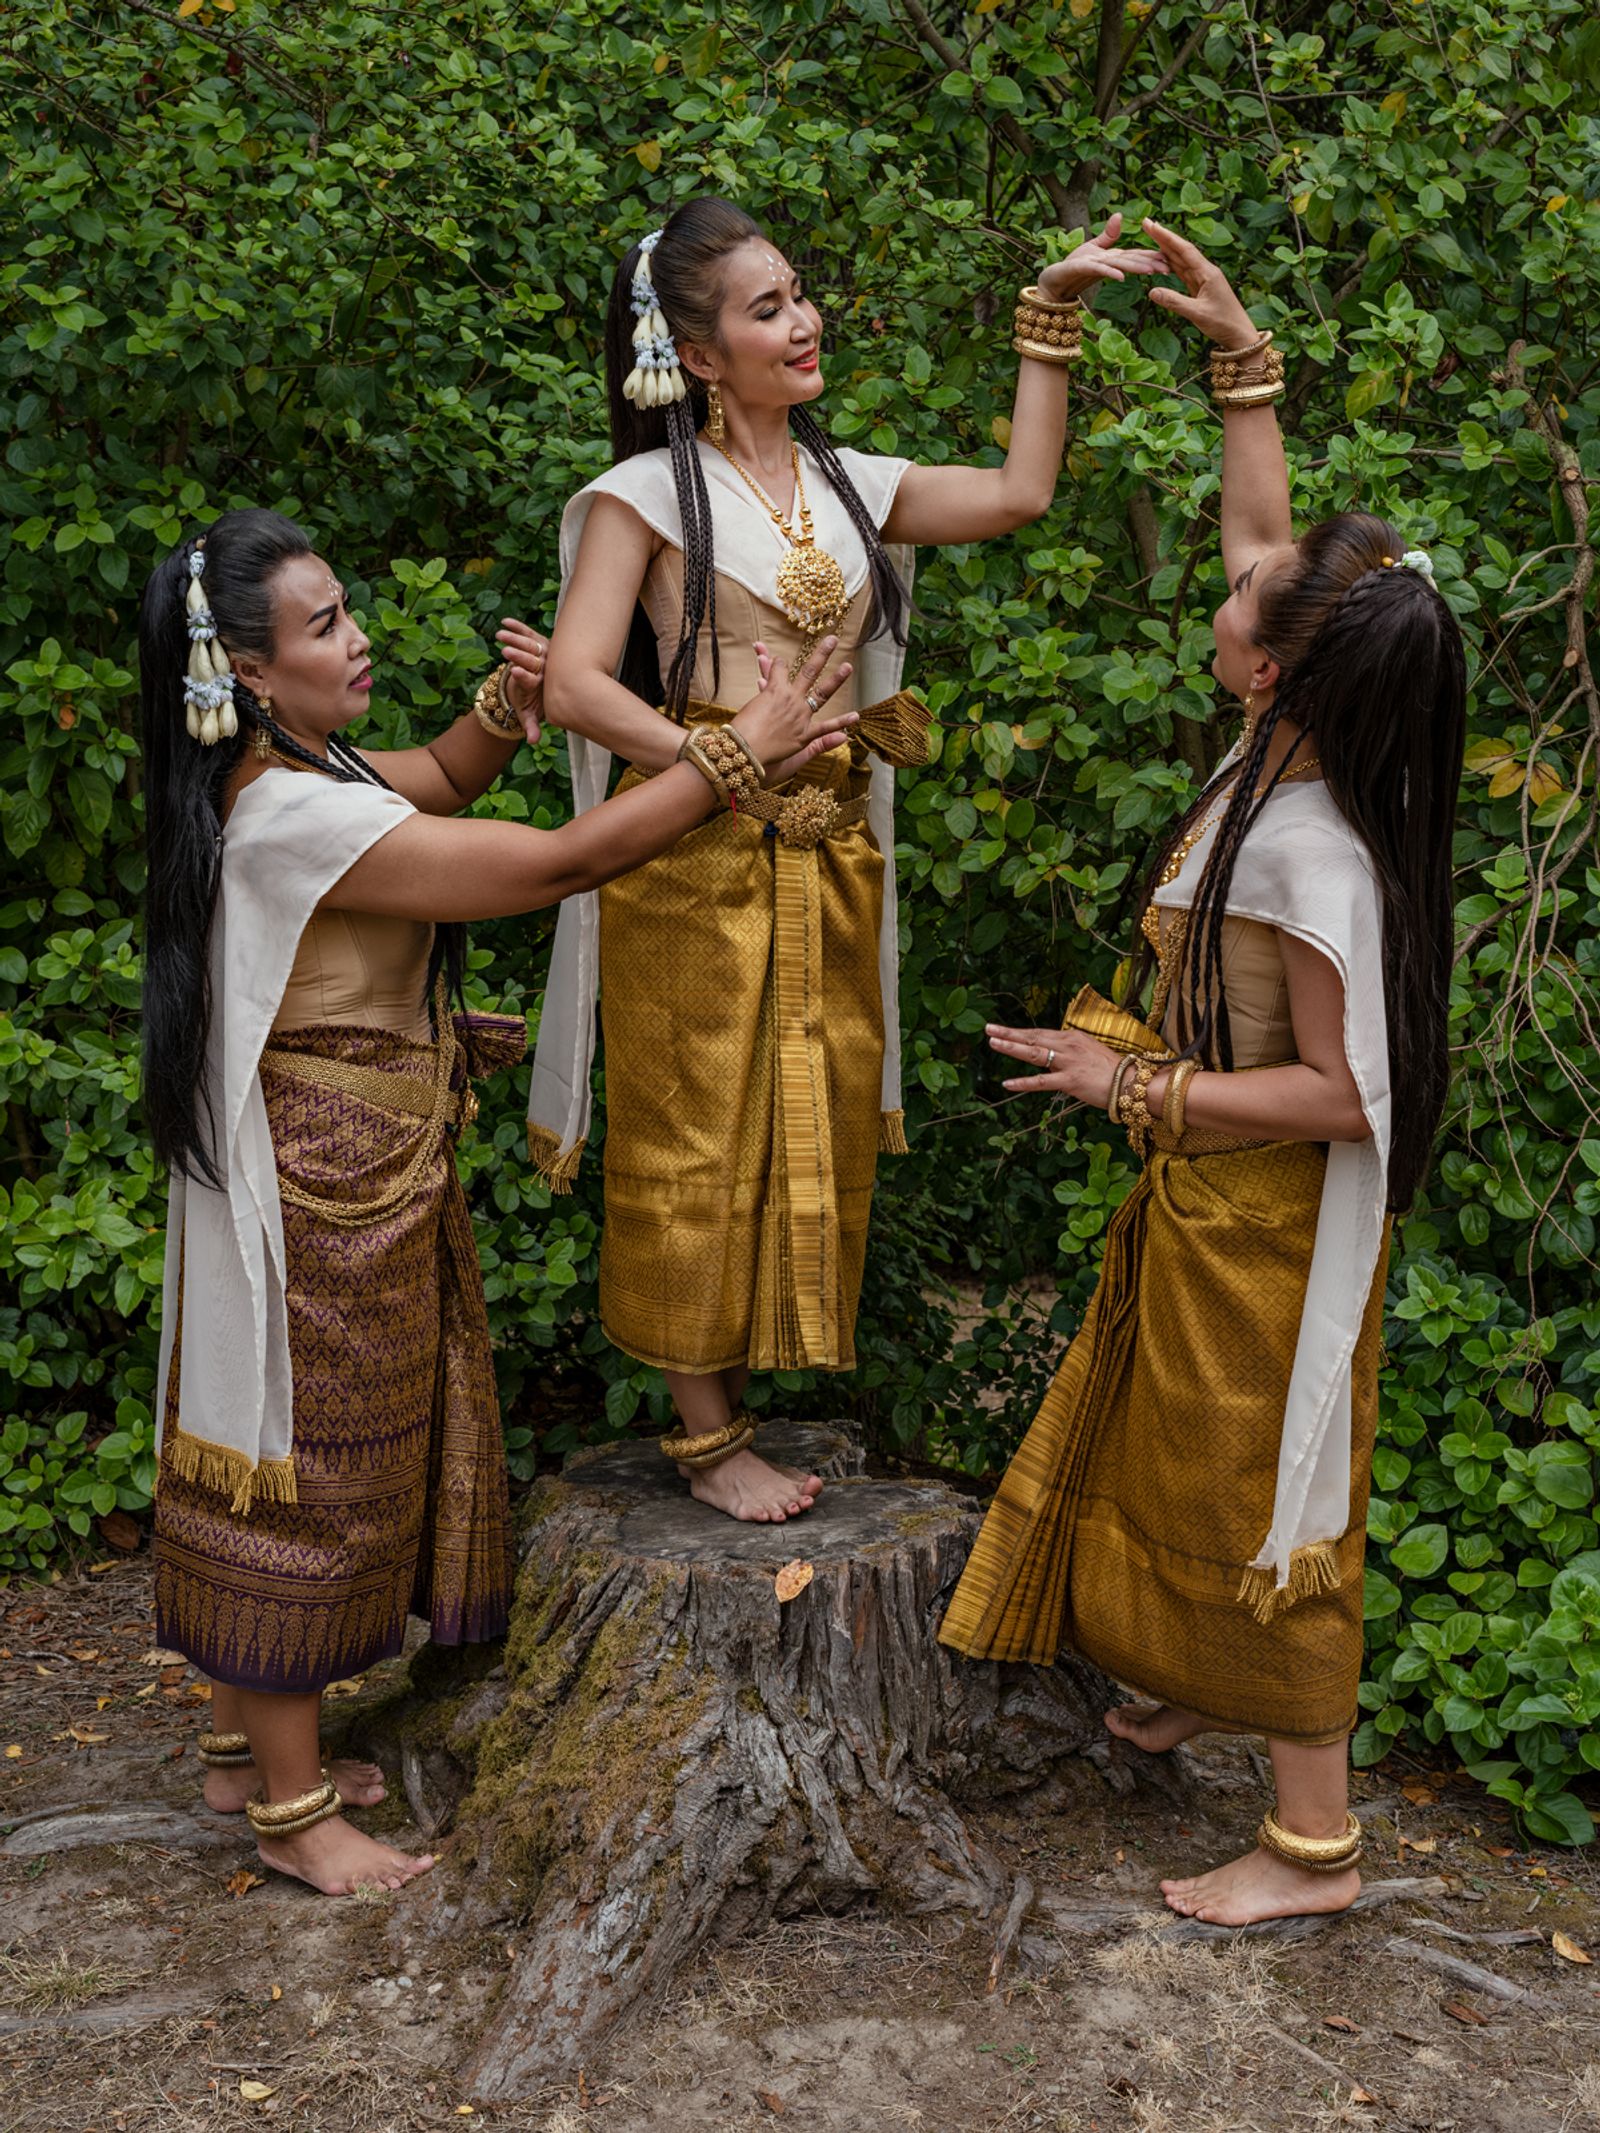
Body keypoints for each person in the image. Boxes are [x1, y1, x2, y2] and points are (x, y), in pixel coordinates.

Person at [140, 506, 854, 1896]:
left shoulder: (296, 765)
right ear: (244, 671)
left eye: (348, 609)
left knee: (311, 1456)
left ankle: (242, 1752)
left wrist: (499, 709)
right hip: (316, 1198)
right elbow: (546, 865)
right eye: (327, 627)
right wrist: (730, 755)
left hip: (355, 1171)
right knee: (308, 1477)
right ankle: (294, 1816)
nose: (360, 639)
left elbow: (433, 781)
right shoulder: (283, 812)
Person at [939, 220, 1467, 1927]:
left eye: (1251, 593)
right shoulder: (1283, 733)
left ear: (1270, 662)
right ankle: (1187, 1685)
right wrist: (1242, 362)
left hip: (1275, 1216)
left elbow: (1346, 1096)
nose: (1232, 578)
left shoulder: (1316, 850)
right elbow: (1266, 535)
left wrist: (1136, 1091)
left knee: (1273, 1481)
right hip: (1208, 1198)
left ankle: (1313, 1842)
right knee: (1178, 1459)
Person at [504, 195, 1164, 1524]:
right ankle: (707, 1437)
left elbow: (1024, 491)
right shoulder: (644, 498)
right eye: (765, 309)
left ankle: (745, 1391)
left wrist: (1052, 316)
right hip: (689, 858)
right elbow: (575, 685)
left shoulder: (853, 484)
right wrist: (724, 758)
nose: (802, 321)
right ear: (694, 356)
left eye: (798, 294)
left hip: (830, 856)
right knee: (695, 1130)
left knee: (793, 1114)